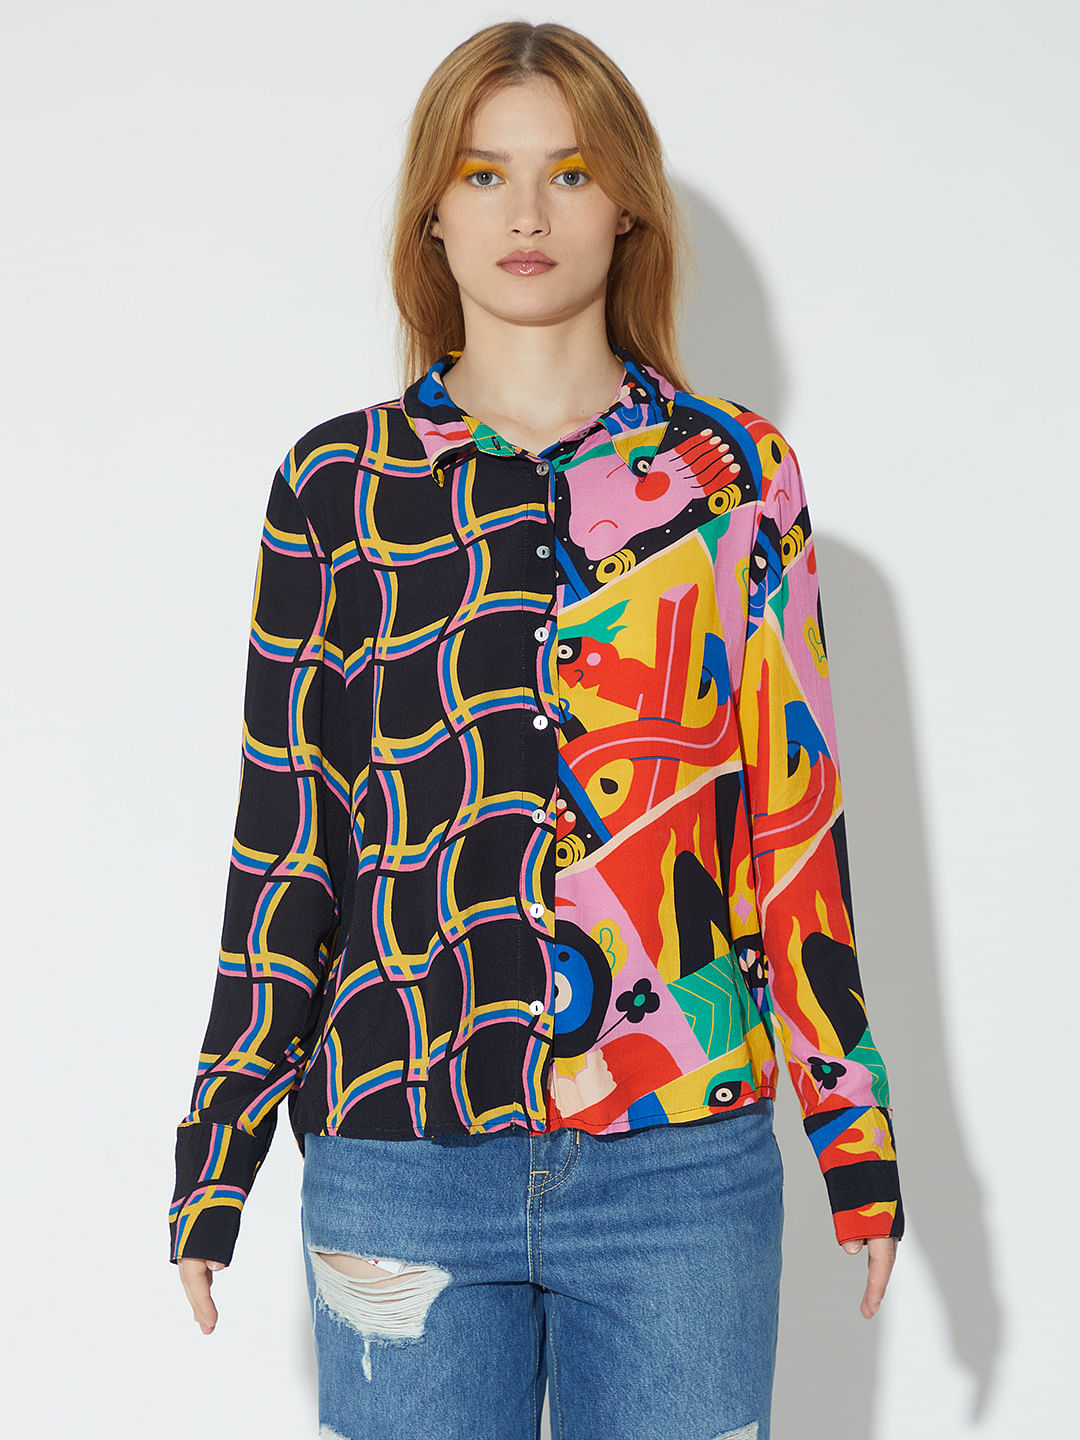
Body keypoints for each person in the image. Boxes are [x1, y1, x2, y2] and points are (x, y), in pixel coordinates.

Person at [171, 20, 903, 1439]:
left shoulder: (736, 479)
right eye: (482, 173)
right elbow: (288, 840)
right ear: (431, 214)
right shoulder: (338, 485)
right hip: (398, 1157)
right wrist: (219, 1151)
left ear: (625, 203)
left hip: (680, 1167)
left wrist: (852, 1130)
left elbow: (795, 823)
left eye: (568, 173)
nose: (525, 212)